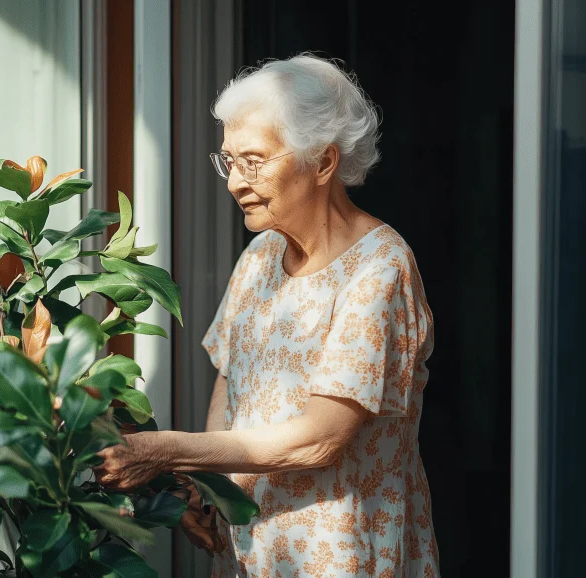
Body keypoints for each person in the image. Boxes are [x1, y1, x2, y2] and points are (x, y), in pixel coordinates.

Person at [95, 53, 439, 577]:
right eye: (229, 160)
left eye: (254, 160)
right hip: (254, 550)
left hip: (339, 554)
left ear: (323, 162)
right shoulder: (260, 255)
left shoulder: (380, 268)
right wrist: (213, 490)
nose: (235, 182)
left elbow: (322, 436)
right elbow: (231, 381)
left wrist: (168, 452)